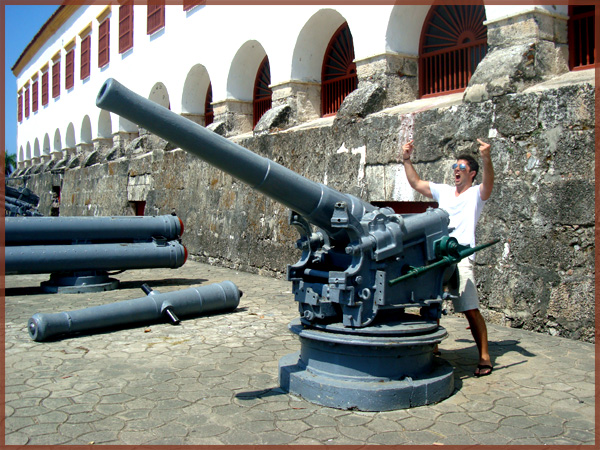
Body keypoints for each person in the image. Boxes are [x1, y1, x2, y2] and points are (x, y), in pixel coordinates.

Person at [401, 138, 494, 377]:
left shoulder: (475, 194)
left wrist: (486, 157)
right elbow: (416, 183)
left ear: (472, 174)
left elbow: (489, 184)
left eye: (462, 168)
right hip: (438, 253)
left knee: (470, 308)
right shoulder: (444, 191)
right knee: (431, 301)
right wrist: (406, 159)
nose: (456, 171)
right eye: (455, 167)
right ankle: (433, 347)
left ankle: (484, 356)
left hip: (461, 254)